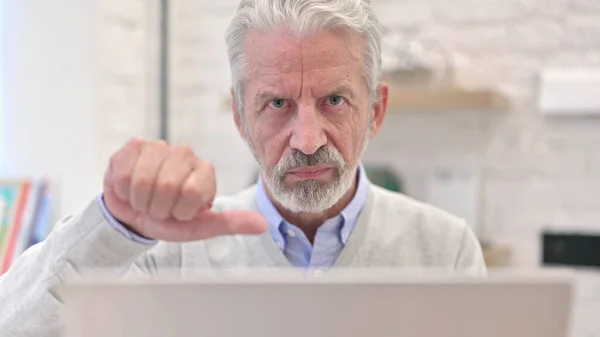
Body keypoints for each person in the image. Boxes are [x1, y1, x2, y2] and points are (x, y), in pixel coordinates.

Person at [0, 0, 486, 335]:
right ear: (239, 116)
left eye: (334, 100)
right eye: (277, 103)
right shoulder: (169, 255)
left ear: (376, 110)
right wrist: (113, 226)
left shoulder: (445, 250)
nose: (307, 140)